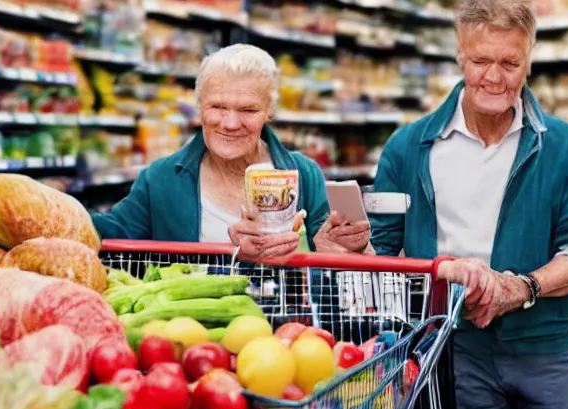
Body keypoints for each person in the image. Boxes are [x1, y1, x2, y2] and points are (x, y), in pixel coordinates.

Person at [368, 0, 568, 409]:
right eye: (480, 61)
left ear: (528, 61)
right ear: (459, 56)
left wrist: (522, 288)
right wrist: (349, 242)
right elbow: (379, 253)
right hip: (456, 350)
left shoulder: (558, 143)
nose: (494, 77)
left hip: (542, 349)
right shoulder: (410, 147)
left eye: (510, 63)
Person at [91, 44, 370, 258]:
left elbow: (334, 268)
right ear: (199, 107)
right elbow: (110, 236)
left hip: (288, 331)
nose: (231, 123)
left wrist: (339, 247)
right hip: (188, 332)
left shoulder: (304, 174)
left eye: (248, 110)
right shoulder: (161, 178)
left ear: (269, 112)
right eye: (217, 107)